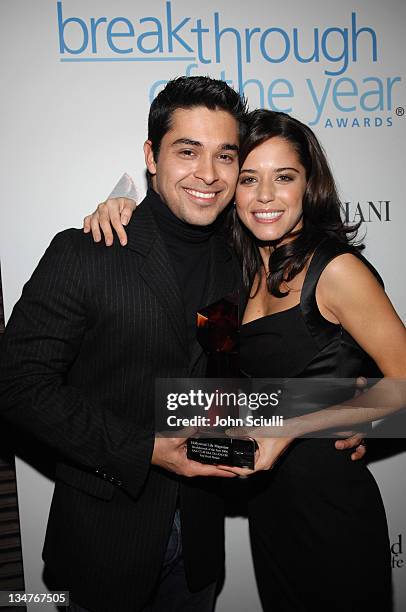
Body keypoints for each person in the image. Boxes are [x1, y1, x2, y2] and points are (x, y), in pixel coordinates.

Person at [86, 109, 406, 610]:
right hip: (269, 509)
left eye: (284, 177)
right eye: (250, 178)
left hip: (332, 509)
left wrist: (298, 425)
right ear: (230, 188)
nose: (264, 196)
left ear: (309, 185)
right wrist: (119, 202)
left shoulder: (336, 270)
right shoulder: (235, 265)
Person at [0, 76, 248, 612]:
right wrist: (144, 450)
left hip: (201, 551)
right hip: (101, 546)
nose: (208, 174)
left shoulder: (241, 262)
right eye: (188, 151)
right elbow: (16, 384)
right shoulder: (87, 250)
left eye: (225, 155)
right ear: (151, 157)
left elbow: (232, 383)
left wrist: (347, 421)